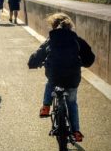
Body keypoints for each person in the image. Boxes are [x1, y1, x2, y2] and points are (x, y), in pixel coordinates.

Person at [28, 12, 95, 142]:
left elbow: (39, 53)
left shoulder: (51, 39)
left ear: (53, 26)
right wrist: (84, 63)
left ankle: (46, 106)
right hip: (72, 77)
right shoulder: (76, 40)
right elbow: (89, 57)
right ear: (70, 26)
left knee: (50, 83)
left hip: (55, 75)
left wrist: (32, 63)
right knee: (72, 103)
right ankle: (76, 132)